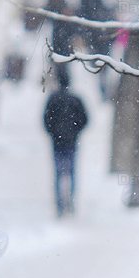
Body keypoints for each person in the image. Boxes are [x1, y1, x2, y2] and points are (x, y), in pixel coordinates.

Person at [43, 69, 89, 216]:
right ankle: (71, 200)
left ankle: (59, 203)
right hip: (71, 140)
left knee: (58, 172)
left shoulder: (53, 99)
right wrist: (75, 131)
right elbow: (84, 119)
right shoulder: (75, 99)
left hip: (57, 141)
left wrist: (53, 133)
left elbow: (46, 120)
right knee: (71, 171)